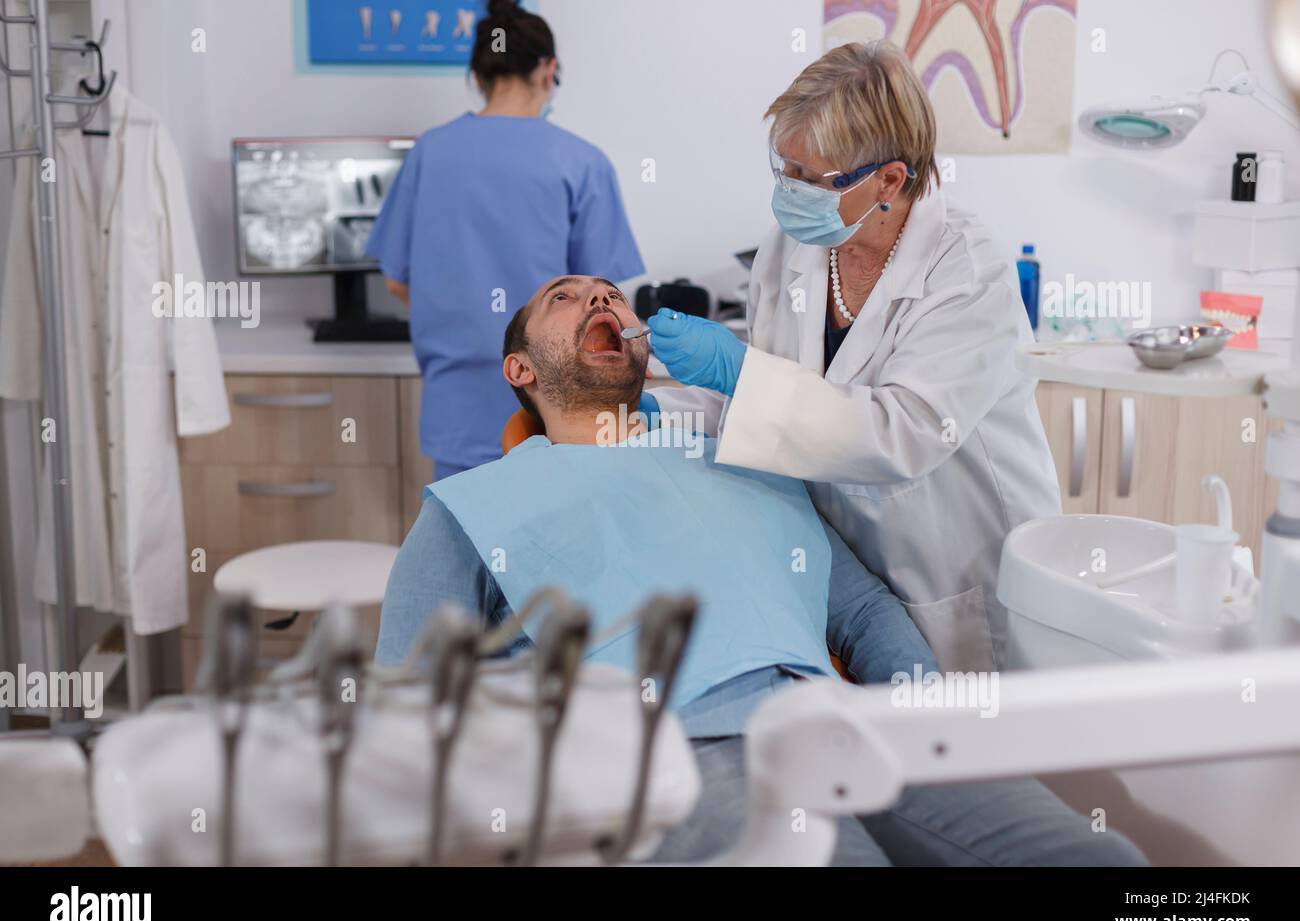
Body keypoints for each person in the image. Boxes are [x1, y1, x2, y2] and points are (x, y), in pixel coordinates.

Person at [376, 274, 1146, 866]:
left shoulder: (742, 458)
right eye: (565, 298)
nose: (598, 297)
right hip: (673, 754)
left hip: (840, 722)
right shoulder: (473, 506)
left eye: (607, 291)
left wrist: (925, 718)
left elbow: (864, 613)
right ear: (519, 367)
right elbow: (403, 709)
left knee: (1106, 862)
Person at [641, 41, 1061, 674]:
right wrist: (663, 406)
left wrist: (736, 370)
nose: (791, 191)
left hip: (957, 572)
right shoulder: (793, 247)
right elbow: (768, 390)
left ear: (890, 179)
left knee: (966, 752)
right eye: (785, 169)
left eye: (813, 178)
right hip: (851, 576)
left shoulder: (967, 272)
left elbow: (904, 434)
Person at [366, 0, 643, 480]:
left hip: (457, 408)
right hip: (553, 407)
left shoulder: (430, 151)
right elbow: (599, 302)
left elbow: (398, 283)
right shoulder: (580, 161)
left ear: (477, 75)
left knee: (463, 546)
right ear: (548, 70)